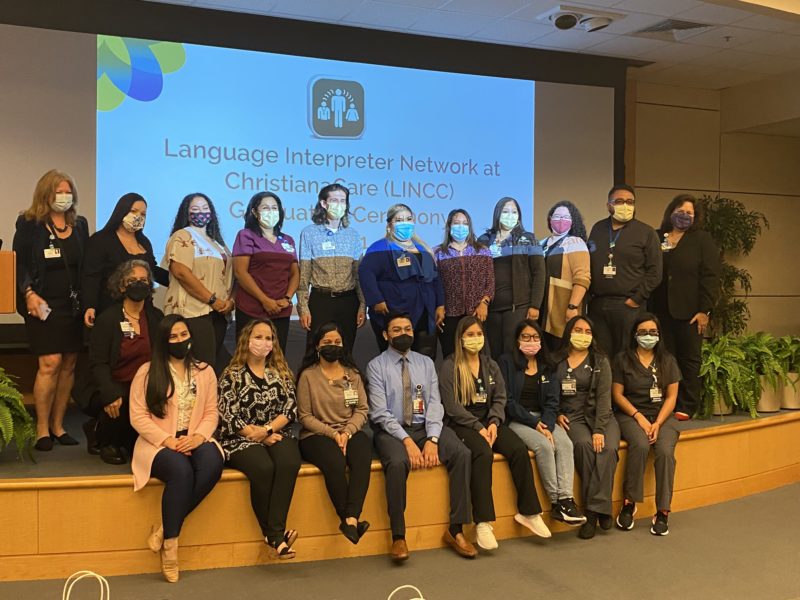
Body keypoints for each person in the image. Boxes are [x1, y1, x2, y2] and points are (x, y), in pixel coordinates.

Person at [367, 312, 475, 561]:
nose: (403, 334)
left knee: (462, 453)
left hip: (425, 427)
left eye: (407, 329)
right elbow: (380, 413)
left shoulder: (426, 363)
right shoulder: (376, 366)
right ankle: (398, 537)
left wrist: (432, 439)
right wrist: (406, 441)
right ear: (385, 335)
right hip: (392, 431)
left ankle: (456, 530)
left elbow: (435, 403)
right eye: (396, 330)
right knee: (396, 463)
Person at [439, 316, 551, 550]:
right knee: (482, 453)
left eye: (478, 334)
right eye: (470, 335)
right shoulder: (450, 365)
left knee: (519, 449)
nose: (475, 339)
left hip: (490, 421)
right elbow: (451, 406)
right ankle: (483, 522)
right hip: (463, 423)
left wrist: (493, 422)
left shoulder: (490, 364)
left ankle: (529, 512)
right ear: (460, 338)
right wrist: (478, 427)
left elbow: (500, 397)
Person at [129, 315, 224, 583]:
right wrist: (167, 441)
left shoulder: (205, 371)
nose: (180, 341)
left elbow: (211, 412)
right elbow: (137, 417)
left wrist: (199, 437)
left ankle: (162, 529)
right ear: (163, 341)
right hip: (158, 443)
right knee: (182, 472)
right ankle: (171, 547)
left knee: (213, 463)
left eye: (183, 335)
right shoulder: (147, 372)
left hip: (194, 437)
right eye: (173, 337)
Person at [13, 169, 89, 451]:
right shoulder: (29, 223)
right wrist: (28, 293)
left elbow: (85, 265)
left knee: (69, 364)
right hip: (41, 304)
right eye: (59, 191)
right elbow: (18, 263)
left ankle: (58, 425)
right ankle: (42, 428)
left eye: (68, 191)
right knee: (50, 363)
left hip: (72, 305)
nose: (64, 197)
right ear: (46, 194)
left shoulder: (80, 225)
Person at [217, 319, 301, 558]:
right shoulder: (231, 374)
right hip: (238, 438)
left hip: (274, 433)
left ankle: (273, 535)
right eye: (258, 337)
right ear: (247, 340)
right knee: (263, 467)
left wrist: (266, 431)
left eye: (268, 338)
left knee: (289, 462)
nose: (263, 342)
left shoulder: (281, 373)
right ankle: (276, 535)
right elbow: (228, 413)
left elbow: (290, 409)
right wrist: (255, 435)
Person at [498, 319, 585, 526]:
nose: (531, 341)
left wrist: (545, 424)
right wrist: (536, 425)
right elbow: (508, 401)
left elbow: (552, 402)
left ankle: (566, 500)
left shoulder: (549, 365)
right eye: (525, 337)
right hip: (517, 419)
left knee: (564, 443)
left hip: (544, 418)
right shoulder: (506, 362)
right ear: (517, 339)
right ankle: (555, 503)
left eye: (535, 337)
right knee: (544, 446)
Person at [80, 260, 163, 465]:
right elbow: (97, 362)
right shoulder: (108, 319)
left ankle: (112, 432)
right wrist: (109, 393)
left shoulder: (156, 317)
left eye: (143, 280)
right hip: (114, 386)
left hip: (144, 387)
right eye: (132, 280)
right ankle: (106, 439)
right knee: (121, 400)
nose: (139, 284)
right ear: (122, 286)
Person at [296, 322, 371, 544]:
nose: (333, 346)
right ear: (317, 346)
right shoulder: (308, 376)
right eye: (327, 342)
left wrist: (347, 432)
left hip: (349, 431)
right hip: (316, 435)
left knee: (362, 456)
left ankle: (351, 518)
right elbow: (304, 416)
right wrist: (333, 434)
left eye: (337, 342)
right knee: (335, 461)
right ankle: (347, 517)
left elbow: (362, 409)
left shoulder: (353, 375)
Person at [651, 194, 721, 420]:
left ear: (696, 217)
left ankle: (687, 405)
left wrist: (704, 311)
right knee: (663, 358)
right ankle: (664, 402)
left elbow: (711, 277)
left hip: (690, 312)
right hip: (659, 310)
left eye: (689, 213)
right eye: (680, 211)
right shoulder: (656, 236)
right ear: (671, 212)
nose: (684, 215)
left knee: (689, 359)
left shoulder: (702, 239)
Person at [612, 313, 681, 536]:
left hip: (662, 416)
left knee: (664, 452)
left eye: (653, 332)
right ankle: (629, 503)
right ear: (634, 334)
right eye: (643, 332)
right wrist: (639, 416)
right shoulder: (622, 359)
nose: (648, 336)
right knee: (640, 445)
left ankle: (662, 511)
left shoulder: (667, 360)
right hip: (631, 414)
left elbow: (671, 397)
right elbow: (617, 395)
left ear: (659, 335)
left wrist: (658, 422)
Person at [553, 315, 619, 539]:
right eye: (578, 330)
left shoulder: (600, 361)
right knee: (583, 447)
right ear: (569, 332)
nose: (583, 335)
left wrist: (600, 430)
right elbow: (550, 395)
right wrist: (557, 414)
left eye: (588, 332)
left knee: (608, 449)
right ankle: (600, 510)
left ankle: (592, 512)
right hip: (573, 418)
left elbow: (604, 399)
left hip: (602, 417)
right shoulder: (556, 360)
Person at [359, 204, 444, 360]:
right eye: (399, 219)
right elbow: (366, 273)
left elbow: (435, 277)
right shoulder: (379, 247)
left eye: (408, 219)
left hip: (425, 311)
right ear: (389, 225)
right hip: (395, 310)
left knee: (425, 356)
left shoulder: (423, 248)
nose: (405, 223)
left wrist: (440, 304)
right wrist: (376, 300)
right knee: (396, 358)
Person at [587, 184, 662, 357]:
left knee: (626, 355)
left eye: (630, 202)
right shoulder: (598, 228)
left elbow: (655, 272)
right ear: (608, 205)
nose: (625, 205)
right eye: (619, 201)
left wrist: (636, 299)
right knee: (600, 356)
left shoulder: (646, 232)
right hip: (598, 305)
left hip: (629, 306)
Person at [162, 193, 234, 370]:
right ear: (186, 213)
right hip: (193, 312)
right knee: (201, 367)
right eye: (195, 209)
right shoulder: (182, 236)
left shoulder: (218, 243)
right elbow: (181, 273)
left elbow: (231, 276)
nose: (201, 213)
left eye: (205, 208)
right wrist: (212, 300)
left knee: (215, 366)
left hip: (219, 313)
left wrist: (230, 301)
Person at [297, 184, 366, 352]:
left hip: (348, 301)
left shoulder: (353, 235)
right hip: (321, 300)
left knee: (346, 349)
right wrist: (303, 308)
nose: (339, 204)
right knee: (314, 350)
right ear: (323, 203)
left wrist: (363, 305)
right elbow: (304, 275)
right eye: (334, 200)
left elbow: (358, 275)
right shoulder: (309, 233)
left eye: (343, 201)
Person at [82, 193, 168, 327]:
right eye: (133, 211)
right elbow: (92, 276)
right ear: (121, 211)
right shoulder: (100, 240)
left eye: (143, 214)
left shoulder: (144, 242)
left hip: (142, 309)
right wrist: (90, 306)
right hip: (110, 309)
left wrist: (176, 280)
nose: (138, 217)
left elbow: (152, 270)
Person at [477, 197, 545, 359]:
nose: (510, 215)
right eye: (505, 211)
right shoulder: (484, 240)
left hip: (518, 307)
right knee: (491, 353)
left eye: (514, 212)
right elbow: (478, 275)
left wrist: (535, 305)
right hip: (490, 309)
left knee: (512, 353)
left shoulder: (528, 238)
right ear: (497, 214)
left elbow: (539, 272)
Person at [232, 192, 299, 352]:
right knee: (249, 356)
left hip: (281, 309)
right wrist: (264, 300)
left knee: (277, 358)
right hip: (252, 308)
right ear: (255, 212)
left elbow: (295, 273)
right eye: (265, 208)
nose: (271, 211)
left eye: (274, 208)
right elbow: (240, 273)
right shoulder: (246, 235)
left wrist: (288, 298)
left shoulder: (287, 240)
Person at [433, 209, 494, 358]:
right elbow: (435, 283)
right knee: (452, 355)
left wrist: (484, 303)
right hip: (449, 314)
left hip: (476, 313)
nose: (461, 227)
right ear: (449, 226)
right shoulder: (438, 253)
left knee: (477, 356)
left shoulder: (482, 251)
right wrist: (439, 306)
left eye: (464, 223)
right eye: (456, 223)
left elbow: (490, 281)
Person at [540, 201, 591, 346]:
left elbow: (582, 278)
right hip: (542, 308)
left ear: (572, 221)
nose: (560, 220)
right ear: (550, 219)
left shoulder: (575, 242)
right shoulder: (541, 243)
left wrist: (572, 307)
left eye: (565, 217)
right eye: (557, 216)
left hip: (562, 308)